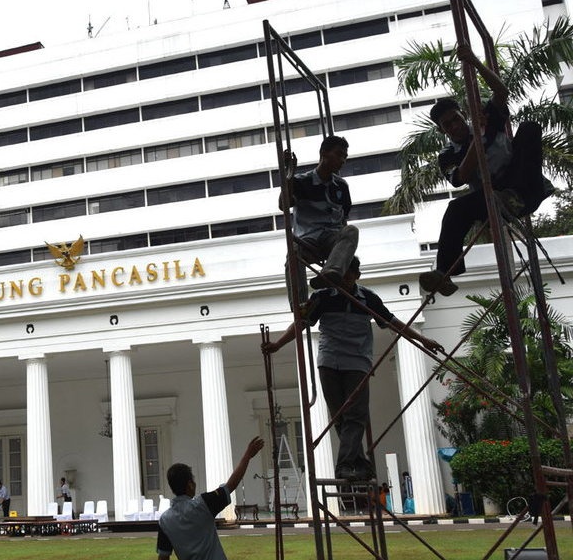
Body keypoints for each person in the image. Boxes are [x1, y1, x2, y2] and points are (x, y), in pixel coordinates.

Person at [262, 257, 445, 481]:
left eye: (350, 274)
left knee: (356, 416)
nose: (346, 278)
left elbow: (393, 322)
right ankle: (359, 462)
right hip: (329, 362)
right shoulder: (322, 298)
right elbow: (300, 324)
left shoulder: (368, 299)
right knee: (340, 417)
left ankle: (345, 464)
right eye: (342, 274)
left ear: (357, 275)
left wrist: (422, 340)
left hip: (357, 363)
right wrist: (278, 344)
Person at [419, 43, 552, 297]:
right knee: (455, 208)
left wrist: (474, 61)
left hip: (523, 185)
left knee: (529, 128)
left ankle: (517, 194)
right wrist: (478, 140)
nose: (455, 126)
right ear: (442, 130)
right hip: (494, 196)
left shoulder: (485, 119)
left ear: (463, 115)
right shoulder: (448, 155)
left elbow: (502, 91)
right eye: (448, 124)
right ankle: (445, 273)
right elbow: (461, 177)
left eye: (456, 119)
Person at [156, 436, 264, 560]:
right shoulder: (203, 504)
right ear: (190, 485)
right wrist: (248, 455)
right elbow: (231, 484)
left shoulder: (165, 520)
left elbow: (163, 556)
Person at [281, 135, 357, 290]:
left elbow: (344, 219)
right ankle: (301, 307)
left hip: (332, 240)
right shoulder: (301, 181)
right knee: (293, 254)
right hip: (308, 240)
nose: (342, 160)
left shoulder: (341, 186)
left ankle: (331, 273)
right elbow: (284, 205)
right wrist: (288, 174)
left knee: (351, 231)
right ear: (323, 153)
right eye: (338, 154)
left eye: (345, 157)